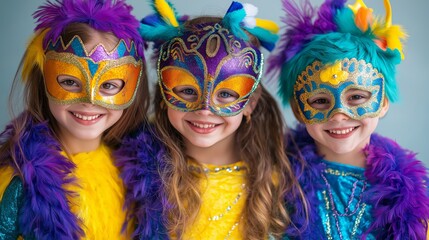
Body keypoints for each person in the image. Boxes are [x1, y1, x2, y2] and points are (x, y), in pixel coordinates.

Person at [115, 0, 306, 239]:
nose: (205, 109)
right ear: (164, 92)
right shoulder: (136, 176)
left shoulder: (280, 183)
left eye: (226, 94)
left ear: (250, 103)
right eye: (187, 90)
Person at [267, 0, 429, 239]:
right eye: (320, 101)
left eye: (356, 97)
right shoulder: (274, 177)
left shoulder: (412, 196)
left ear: (383, 102)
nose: (339, 115)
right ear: (298, 108)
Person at [0, 0, 148, 239]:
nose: (89, 102)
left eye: (109, 85)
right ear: (44, 80)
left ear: (133, 87)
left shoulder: (140, 176)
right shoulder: (18, 184)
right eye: (69, 82)